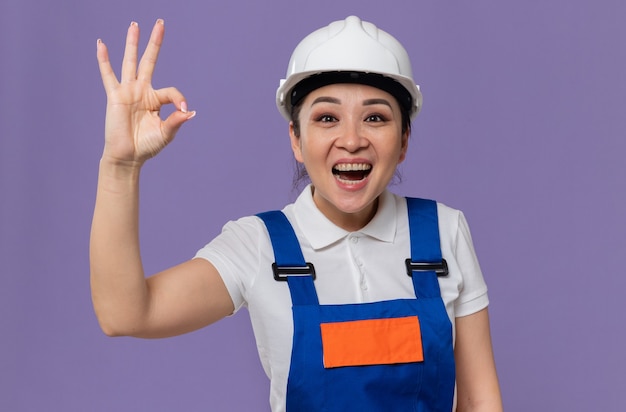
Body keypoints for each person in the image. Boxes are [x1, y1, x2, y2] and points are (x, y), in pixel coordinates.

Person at [91, 16, 503, 411]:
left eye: (376, 117)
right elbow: (125, 314)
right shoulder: (258, 245)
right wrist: (120, 167)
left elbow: (478, 402)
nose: (352, 140)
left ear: (404, 140)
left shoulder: (445, 232)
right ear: (296, 139)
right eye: (327, 118)